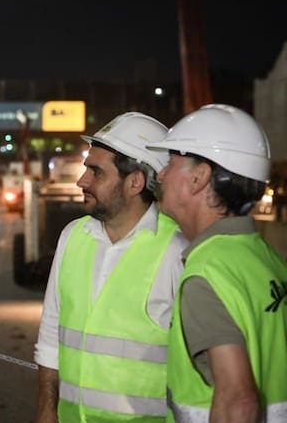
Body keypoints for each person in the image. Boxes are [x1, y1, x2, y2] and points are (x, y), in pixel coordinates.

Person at [34, 112, 189, 422]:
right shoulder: (72, 237)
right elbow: (51, 336)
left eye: (96, 172)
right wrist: (47, 409)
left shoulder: (177, 252)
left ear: (135, 182)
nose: (81, 181)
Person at [147, 104, 287, 422]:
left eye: (171, 163)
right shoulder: (266, 258)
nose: (161, 174)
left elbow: (238, 400)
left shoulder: (207, 274)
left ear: (199, 177)